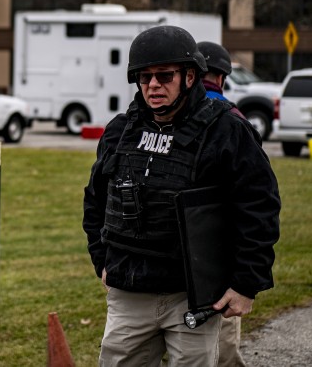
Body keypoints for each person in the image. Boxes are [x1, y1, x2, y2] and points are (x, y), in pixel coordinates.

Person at [82, 25, 280, 366]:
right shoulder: (120, 131)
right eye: (144, 78)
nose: (153, 85)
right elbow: (95, 200)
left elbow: (258, 206)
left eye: (164, 76)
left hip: (194, 296)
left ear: (190, 76)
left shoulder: (226, 130)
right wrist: (103, 260)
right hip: (130, 292)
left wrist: (246, 283)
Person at [198, 40, 247, 367]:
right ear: (223, 78)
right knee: (223, 348)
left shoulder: (168, 112)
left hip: (173, 256)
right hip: (218, 250)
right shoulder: (232, 117)